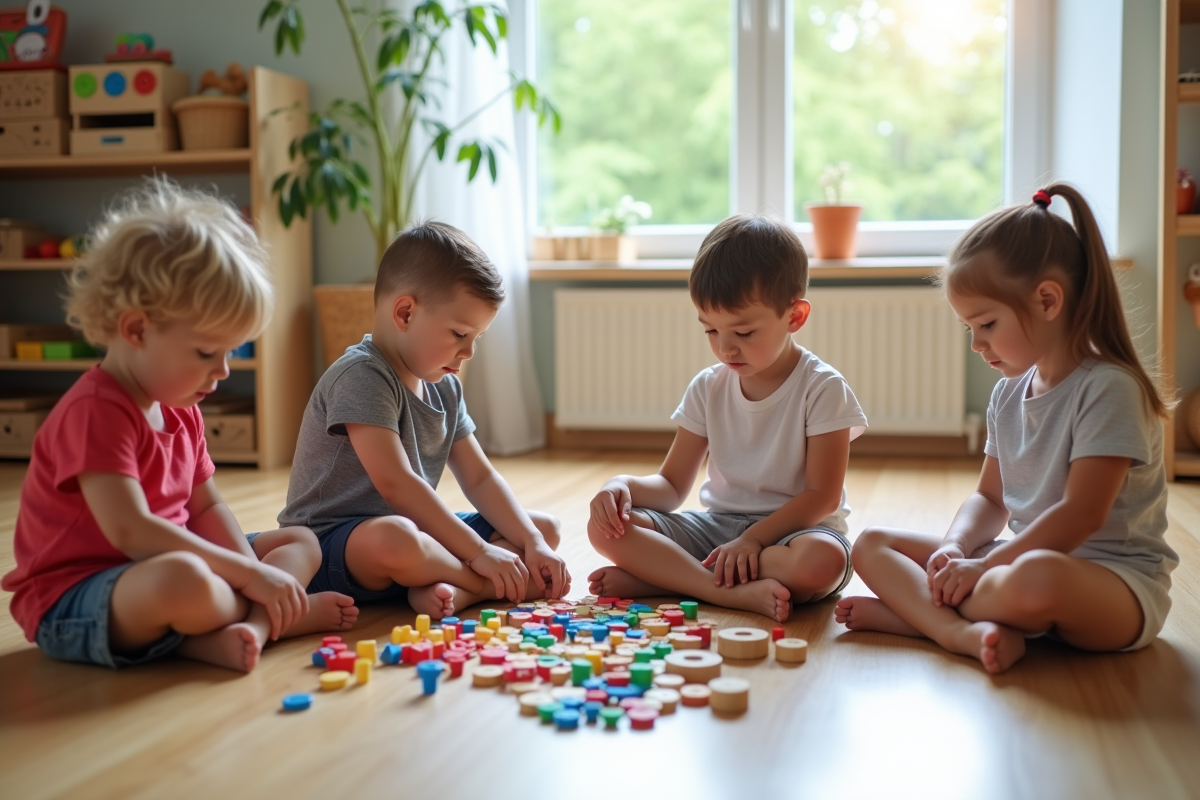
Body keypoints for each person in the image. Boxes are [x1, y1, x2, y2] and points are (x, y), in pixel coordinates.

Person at [2, 180, 357, 673]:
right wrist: (250, 580)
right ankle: (274, 616)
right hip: (78, 597)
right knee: (186, 579)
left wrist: (251, 571)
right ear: (136, 329)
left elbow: (205, 505)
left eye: (230, 353)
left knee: (300, 540)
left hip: (169, 563)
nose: (223, 371)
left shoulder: (179, 406)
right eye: (207, 353)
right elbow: (133, 531)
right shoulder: (95, 411)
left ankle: (246, 625)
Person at [836, 184, 1177, 673]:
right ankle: (958, 630)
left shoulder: (1109, 389)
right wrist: (957, 546)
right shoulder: (1008, 393)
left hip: (1114, 587)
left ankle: (919, 619)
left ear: (1047, 300)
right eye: (970, 328)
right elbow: (991, 501)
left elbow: (1081, 515)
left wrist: (985, 566)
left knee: (1036, 578)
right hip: (1012, 564)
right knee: (872, 544)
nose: (977, 344)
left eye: (987, 324)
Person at [278, 222, 569, 618]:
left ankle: (451, 588)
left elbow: (480, 479)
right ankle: (481, 585)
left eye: (476, 339)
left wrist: (533, 542)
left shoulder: (445, 386)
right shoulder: (362, 375)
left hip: (409, 533)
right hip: (332, 545)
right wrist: (481, 553)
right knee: (397, 538)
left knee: (544, 528)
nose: (468, 352)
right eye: (459, 334)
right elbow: (397, 485)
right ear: (405, 313)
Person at [586, 214, 866, 623]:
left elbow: (821, 496)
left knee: (820, 563)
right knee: (605, 530)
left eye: (744, 333)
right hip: (717, 529)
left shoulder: (823, 387)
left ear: (795, 316)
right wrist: (619, 486)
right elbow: (670, 486)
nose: (725, 349)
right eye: (711, 332)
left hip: (794, 535)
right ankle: (716, 589)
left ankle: (670, 579)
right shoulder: (708, 387)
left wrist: (753, 540)